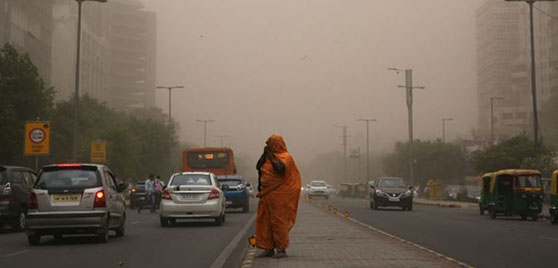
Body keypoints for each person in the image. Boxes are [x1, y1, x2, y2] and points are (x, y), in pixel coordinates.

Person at [255, 134, 301, 259]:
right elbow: (258, 166)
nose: (268, 147)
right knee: (265, 222)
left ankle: (281, 249)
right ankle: (268, 248)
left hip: (280, 195)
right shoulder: (267, 158)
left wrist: (270, 155)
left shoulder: (286, 157)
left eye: (270, 144)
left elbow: (280, 169)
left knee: (278, 222)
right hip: (267, 194)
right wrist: (265, 154)